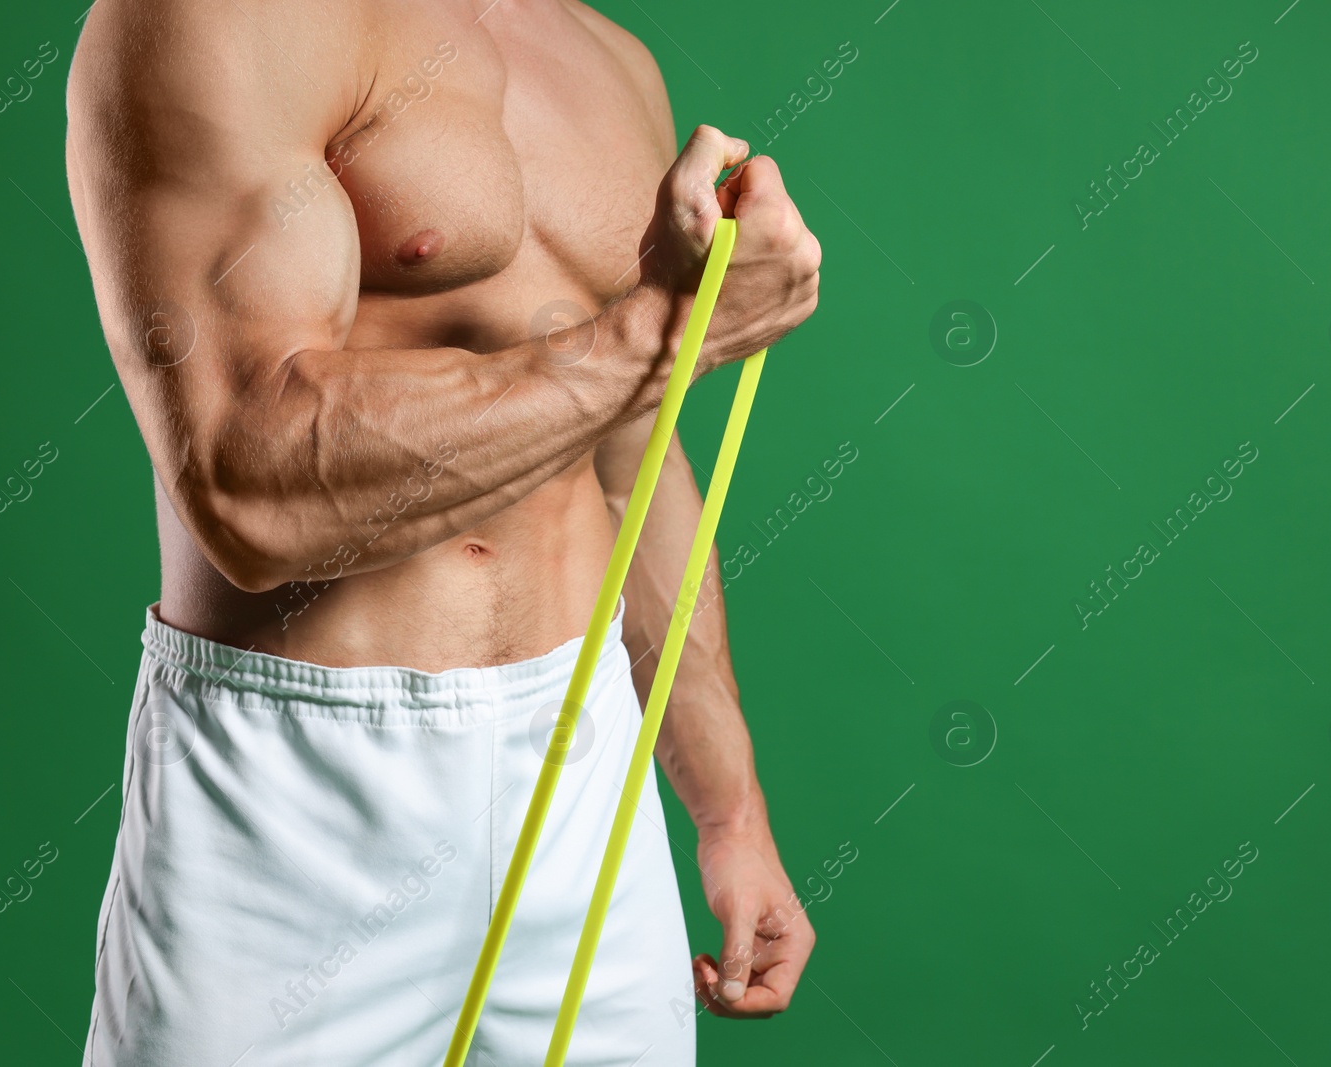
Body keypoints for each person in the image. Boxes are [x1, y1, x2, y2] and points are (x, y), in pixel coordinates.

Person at [64, 0, 821, 1062]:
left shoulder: (609, 59)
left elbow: (628, 461)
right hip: (297, 806)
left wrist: (730, 810)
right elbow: (247, 479)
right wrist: (660, 331)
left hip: (581, 774)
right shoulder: (215, 19)